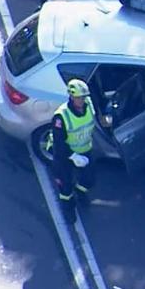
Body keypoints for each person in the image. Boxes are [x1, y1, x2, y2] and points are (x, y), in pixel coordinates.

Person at [51, 79, 96, 225]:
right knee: (65, 186)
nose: (82, 100)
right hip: (64, 155)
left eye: (83, 97)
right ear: (71, 96)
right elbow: (58, 142)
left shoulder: (88, 105)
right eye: (79, 98)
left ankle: (81, 192)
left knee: (89, 179)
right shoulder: (61, 116)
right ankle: (68, 208)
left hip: (85, 149)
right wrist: (73, 156)